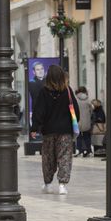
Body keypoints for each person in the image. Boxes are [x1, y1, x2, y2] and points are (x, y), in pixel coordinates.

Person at [30, 65, 79, 195]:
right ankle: (62, 185)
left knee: (48, 158)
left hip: (48, 131)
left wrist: (34, 128)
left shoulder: (44, 91)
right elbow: (76, 111)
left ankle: (48, 184)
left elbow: (38, 111)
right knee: (64, 157)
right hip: (65, 131)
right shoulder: (67, 91)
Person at [75, 86, 93, 157]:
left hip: (78, 120)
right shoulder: (88, 99)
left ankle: (79, 150)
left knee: (78, 136)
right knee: (87, 136)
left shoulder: (76, 99)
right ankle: (88, 150)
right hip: (86, 121)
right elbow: (91, 110)